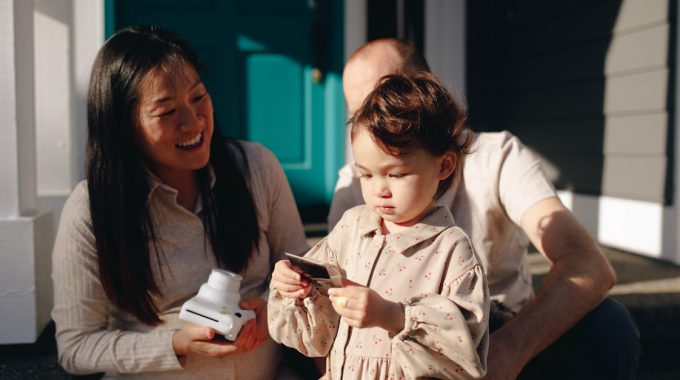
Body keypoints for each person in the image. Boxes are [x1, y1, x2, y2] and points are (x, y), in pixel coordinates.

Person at [330, 38, 640, 379]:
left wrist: (509, 352)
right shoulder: (355, 185)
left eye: (386, 103)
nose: (374, 127)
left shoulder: (497, 157)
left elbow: (588, 265)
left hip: (496, 329)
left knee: (609, 327)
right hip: (392, 343)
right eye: (361, 113)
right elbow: (333, 301)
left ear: (426, 95)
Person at [51, 26, 309, 379]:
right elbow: (76, 346)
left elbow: (301, 272)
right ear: (123, 127)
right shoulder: (92, 209)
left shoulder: (256, 167)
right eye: (167, 111)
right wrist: (175, 344)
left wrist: (271, 307)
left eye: (198, 97)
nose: (193, 122)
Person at [268, 73, 490, 379]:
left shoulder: (451, 249)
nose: (379, 190)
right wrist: (296, 286)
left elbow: (461, 356)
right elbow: (317, 336)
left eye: (396, 175)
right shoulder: (353, 227)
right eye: (367, 175)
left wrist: (394, 317)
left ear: (444, 165)